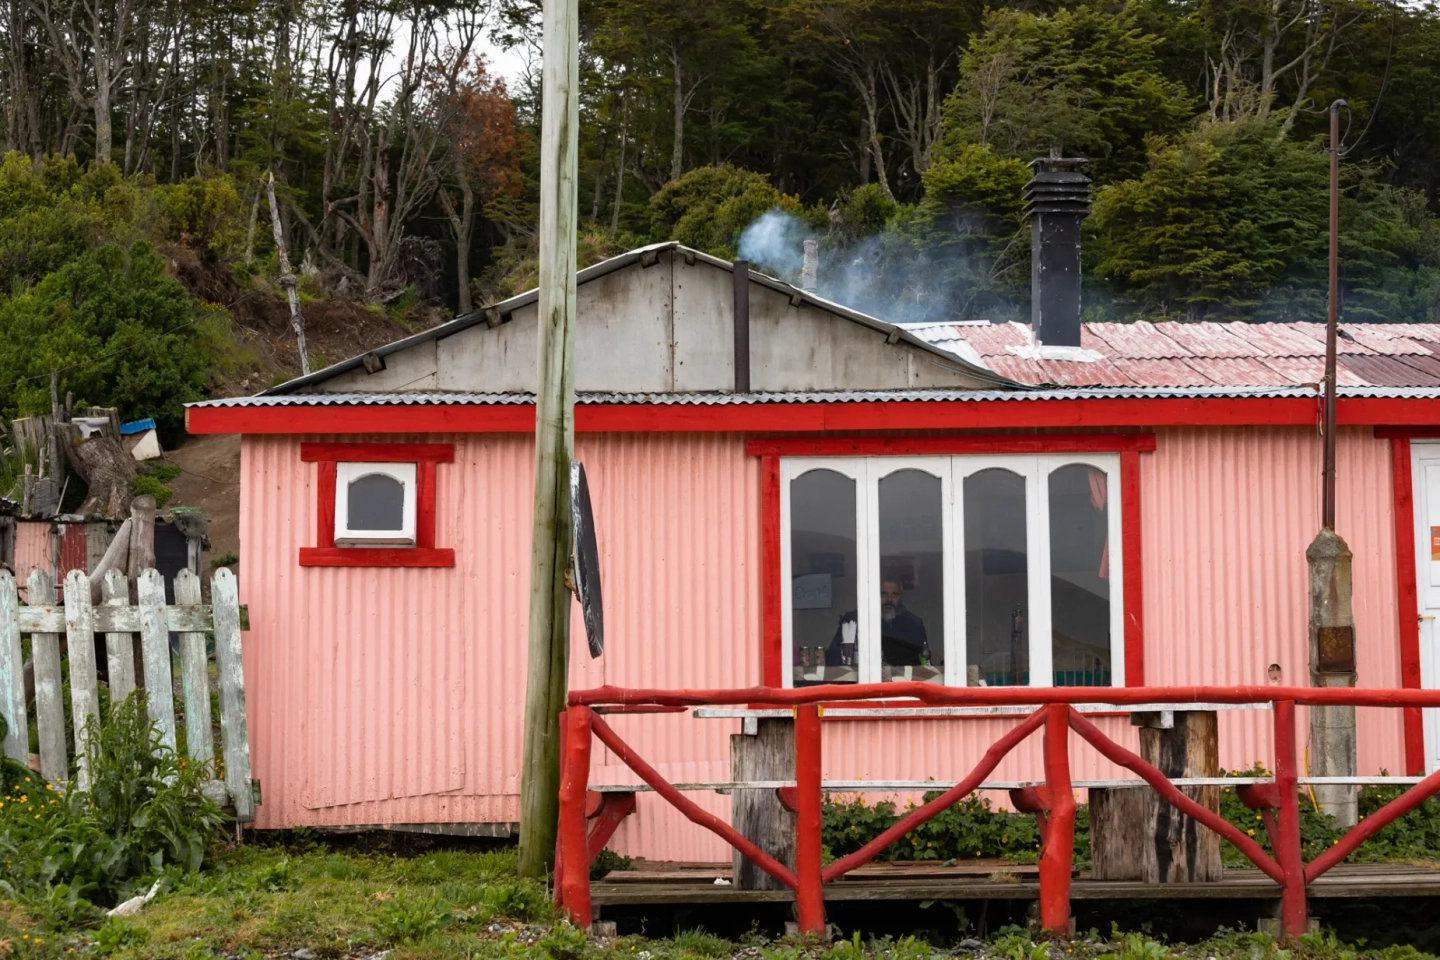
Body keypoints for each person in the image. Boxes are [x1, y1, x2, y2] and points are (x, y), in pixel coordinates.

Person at [827, 578, 930, 666]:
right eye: (883, 594)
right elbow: (832, 658)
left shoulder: (914, 624)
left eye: (894, 595)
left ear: (900, 596)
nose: (889, 600)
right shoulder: (854, 621)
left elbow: (924, 662)